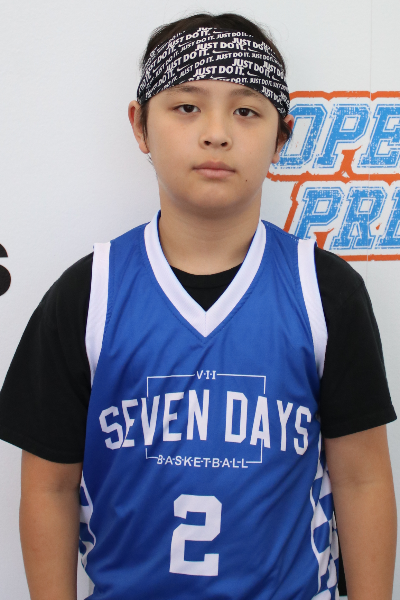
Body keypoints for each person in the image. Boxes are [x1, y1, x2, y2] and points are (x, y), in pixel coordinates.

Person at [0, 11, 397, 600]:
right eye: (187, 106)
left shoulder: (326, 291)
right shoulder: (87, 295)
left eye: (246, 111)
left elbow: (362, 480)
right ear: (140, 125)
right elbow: (49, 488)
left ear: (281, 136)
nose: (216, 133)